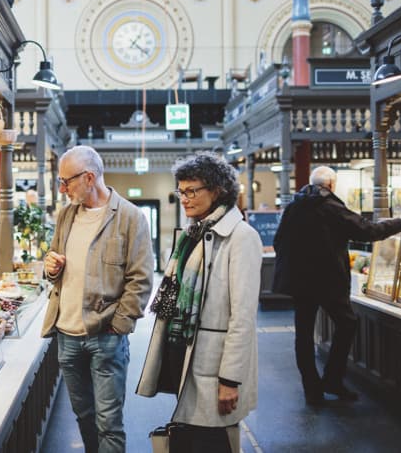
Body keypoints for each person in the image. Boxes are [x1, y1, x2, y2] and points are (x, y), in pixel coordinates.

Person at [137, 152, 262, 453]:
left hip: (215, 367)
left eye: (192, 191)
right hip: (188, 358)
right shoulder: (194, 234)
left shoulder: (240, 237)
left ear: (217, 191)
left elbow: (243, 317)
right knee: (193, 440)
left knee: (213, 443)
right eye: (181, 191)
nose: (184, 198)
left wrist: (230, 379)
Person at [42, 146, 153, 453]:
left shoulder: (130, 218)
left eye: (67, 182)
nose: (62, 189)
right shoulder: (66, 216)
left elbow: (141, 279)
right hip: (66, 335)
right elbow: (53, 263)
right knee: (84, 416)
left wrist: (119, 325)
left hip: (106, 336)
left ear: (89, 177)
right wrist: (51, 266)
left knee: (109, 422)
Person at [273, 166, 401, 405]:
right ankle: (333, 380)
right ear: (330, 185)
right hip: (327, 280)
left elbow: (278, 241)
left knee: (304, 335)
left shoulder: (293, 206)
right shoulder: (330, 206)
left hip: (300, 282)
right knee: (347, 323)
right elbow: (368, 231)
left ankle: (312, 390)